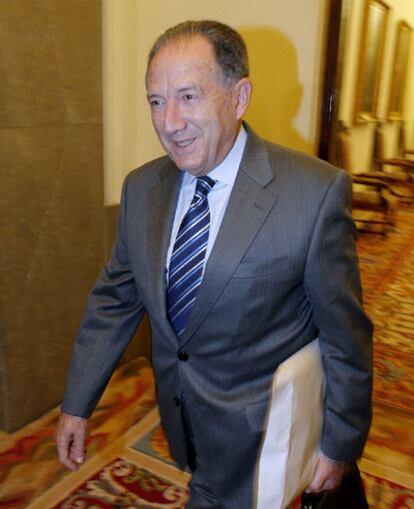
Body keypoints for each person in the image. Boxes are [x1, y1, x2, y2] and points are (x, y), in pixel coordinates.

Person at [55, 20, 373, 509]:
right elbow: (114, 302)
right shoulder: (142, 190)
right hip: (185, 428)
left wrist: (339, 445)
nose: (169, 122)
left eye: (188, 96)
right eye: (156, 101)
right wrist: (76, 404)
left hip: (268, 440)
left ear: (239, 96)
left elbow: (345, 337)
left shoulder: (313, 193)